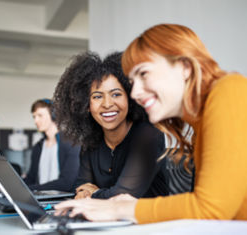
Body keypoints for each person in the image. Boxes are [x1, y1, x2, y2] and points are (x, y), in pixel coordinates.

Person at [54, 24, 247, 228]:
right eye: (132, 81)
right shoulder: (203, 121)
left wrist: (119, 207)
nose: (136, 93)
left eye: (144, 74)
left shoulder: (230, 92)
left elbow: (210, 208)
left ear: (184, 66)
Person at [53, 51, 170, 199]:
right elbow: (80, 187)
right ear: (86, 104)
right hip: (107, 220)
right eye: (97, 96)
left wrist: (94, 193)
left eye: (116, 94)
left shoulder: (148, 136)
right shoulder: (91, 142)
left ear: (130, 98)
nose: (107, 104)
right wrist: (86, 192)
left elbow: (124, 196)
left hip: (150, 221)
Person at [23, 99, 80, 192]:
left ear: (54, 116)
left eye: (40, 116)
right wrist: (9, 187)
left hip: (62, 201)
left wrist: (30, 189)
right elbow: (31, 179)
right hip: (40, 200)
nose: (36, 121)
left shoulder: (72, 144)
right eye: (34, 117)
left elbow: (66, 183)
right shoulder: (38, 147)